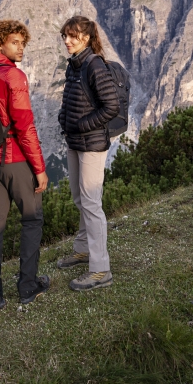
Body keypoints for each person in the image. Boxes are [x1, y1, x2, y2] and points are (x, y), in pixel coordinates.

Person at [0, 19, 50, 309]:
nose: (21, 48)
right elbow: (25, 126)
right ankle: (27, 287)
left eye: (23, 43)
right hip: (15, 160)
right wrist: (39, 168)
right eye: (14, 42)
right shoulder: (13, 76)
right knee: (31, 219)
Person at [56, 15, 120, 291]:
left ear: (86, 38)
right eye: (65, 36)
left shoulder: (93, 65)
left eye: (72, 36)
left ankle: (100, 270)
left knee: (92, 204)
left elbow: (111, 106)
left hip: (92, 144)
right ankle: (83, 251)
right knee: (79, 197)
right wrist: (63, 117)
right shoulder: (75, 65)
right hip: (75, 141)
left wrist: (82, 125)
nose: (67, 41)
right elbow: (72, 98)